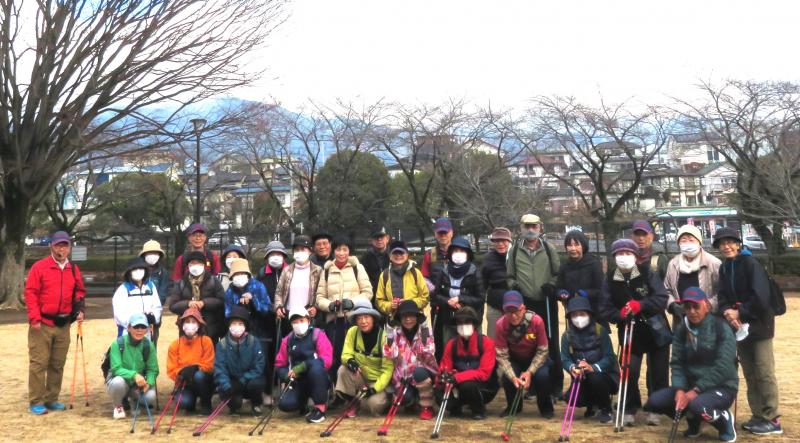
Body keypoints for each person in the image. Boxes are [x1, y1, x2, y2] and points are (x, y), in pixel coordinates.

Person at [643, 287, 738, 442]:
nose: (692, 311)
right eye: (688, 307)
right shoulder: (681, 330)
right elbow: (677, 363)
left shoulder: (721, 328)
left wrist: (696, 390)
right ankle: (694, 421)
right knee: (655, 402)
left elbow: (724, 366)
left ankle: (724, 421)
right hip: (690, 386)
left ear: (706, 305)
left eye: (696, 306)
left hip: (722, 386)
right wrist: (680, 390)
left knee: (698, 405)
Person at [714, 227, 782, 435]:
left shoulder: (751, 263)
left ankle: (772, 418)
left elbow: (760, 298)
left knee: (764, 371)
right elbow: (722, 295)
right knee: (750, 373)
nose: (726, 246)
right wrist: (727, 312)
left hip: (759, 324)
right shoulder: (725, 267)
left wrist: (739, 312)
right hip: (739, 326)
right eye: (722, 243)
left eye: (730, 242)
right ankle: (758, 414)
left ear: (738, 243)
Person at [599, 238, 670, 427]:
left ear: (636, 256)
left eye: (628, 253)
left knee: (658, 372)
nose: (624, 257)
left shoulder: (647, 272)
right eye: (620, 254)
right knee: (630, 370)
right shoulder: (610, 277)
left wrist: (642, 304)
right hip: (630, 330)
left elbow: (661, 297)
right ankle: (630, 406)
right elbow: (604, 308)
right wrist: (619, 315)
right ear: (614, 257)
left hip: (655, 328)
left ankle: (656, 407)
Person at [25, 230, 86, 415]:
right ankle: (36, 400)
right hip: (42, 323)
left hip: (64, 324)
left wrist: (80, 310)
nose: (62, 248)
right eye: (58, 244)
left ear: (69, 247)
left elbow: (79, 292)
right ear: (51, 246)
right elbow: (31, 293)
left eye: (65, 244)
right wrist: (34, 318)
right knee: (39, 363)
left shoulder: (73, 269)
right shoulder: (39, 267)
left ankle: (52, 398)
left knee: (57, 363)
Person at [505, 214, 562, 394]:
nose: (530, 230)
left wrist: (551, 285)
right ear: (521, 228)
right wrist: (514, 287)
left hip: (546, 301)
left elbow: (557, 272)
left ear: (540, 227)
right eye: (527, 226)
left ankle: (555, 384)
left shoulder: (549, 248)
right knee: (528, 343)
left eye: (534, 226)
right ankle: (533, 384)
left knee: (550, 342)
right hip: (525, 303)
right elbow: (509, 276)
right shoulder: (514, 250)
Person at [316, 237, 372, 379]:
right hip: (334, 322)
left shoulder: (357, 268)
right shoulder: (327, 270)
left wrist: (352, 303)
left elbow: (368, 292)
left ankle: (356, 389)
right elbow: (319, 297)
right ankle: (336, 390)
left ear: (349, 251)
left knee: (355, 355)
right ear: (333, 251)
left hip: (353, 320)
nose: (341, 253)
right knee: (333, 357)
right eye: (338, 249)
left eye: (345, 249)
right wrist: (329, 305)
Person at [560, 296, 619, 424]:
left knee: (594, 377)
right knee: (571, 398)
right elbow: (564, 359)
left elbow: (609, 357)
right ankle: (591, 404)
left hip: (604, 376)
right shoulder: (567, 336)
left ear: (589, 314)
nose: (578, 318)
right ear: (570, 317)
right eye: (574, 315)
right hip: (581, 377)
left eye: (582, 314)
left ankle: (606, 408)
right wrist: (572, 368)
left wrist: (593, 367)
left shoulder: (600, 331)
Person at [494, 291, 553, 418]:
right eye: (509, 311)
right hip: (515, 358)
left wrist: (530, 372)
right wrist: (512, 376)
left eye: (517, 311)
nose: (513, 316)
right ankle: (513, 407)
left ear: (523, 308)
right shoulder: (500, 325)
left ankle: (546, 407)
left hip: (536, 358)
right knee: (507, 378)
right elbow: (502, 355)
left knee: (542, 376)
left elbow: (543, 350)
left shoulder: (537, 321)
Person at [223, 258, 273, 403]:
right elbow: (227, 313)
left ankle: (267, 392)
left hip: (260, 331)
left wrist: (253, 300)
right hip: (239, 333)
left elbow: (267, 308)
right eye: (235, 274)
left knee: (262, 361)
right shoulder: (230, 291)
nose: (239, 276)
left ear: (248, 274)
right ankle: (245, 393)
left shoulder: (258, 286)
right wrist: (239, 306)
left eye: (242, 273)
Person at [335, 299, 394, 417]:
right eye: (359, 318)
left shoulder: (384, 337)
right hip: (360, 377)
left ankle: (386, 400)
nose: (363, 321)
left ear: (373, 318)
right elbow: (345, 354)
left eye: (366, 317)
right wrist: (351, 361)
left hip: (377, 381)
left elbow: (388, 369)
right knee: (343, 369)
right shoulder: (352, 332)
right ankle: (353, 403)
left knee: (373, 406)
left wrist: (374, 389)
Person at [438, 306, 498, 420]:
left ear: (474, 325)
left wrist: (457, 377)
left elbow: (484, 373)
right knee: (439, 392)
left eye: (467, 322)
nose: (463, 325)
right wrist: (443, 376)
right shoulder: (451, 344)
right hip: (457, 384)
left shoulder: (486, 343)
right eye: (459, 323)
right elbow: (445, 365)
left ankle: (478, 409)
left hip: (483, 387)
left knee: (468, 386)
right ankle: (457, 406)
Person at [275, 307, 333, 423]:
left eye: (302, 321)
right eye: (295, 322)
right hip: (298, 381)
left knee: (316, 368)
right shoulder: (287, 340)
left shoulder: (318, 335)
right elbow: (280, 364)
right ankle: (303, 405)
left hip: (318, 378)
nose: (298, 324)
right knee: (284, 404)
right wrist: (287, 375)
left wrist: (303, 366)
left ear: (308, 320)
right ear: (291, 324)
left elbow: (327, 360)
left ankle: (320, 409)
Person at [431, 237, 485, 361]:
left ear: (468, 254)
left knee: (472, 352)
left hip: (470, 320)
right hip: (449, 320)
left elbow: (480, 298)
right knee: (449, 351)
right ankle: (449, 378)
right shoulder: (443, 271)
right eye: (455, 251)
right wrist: (447, 301)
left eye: (462, 251)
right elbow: (435, 295)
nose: (458, 254)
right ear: (450, 254)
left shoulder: (475, 272)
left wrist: (461, 299)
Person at [383, 300, 439, 420]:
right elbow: (389, 353)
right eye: (404, 316)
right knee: (403, 399)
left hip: (422, 374)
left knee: (419, 372)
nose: (408, 319)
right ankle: (412, 402)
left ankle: (427, 406)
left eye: (411, 315)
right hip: (404, 378)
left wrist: (424, 330)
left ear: (417, 317)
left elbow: (428, 352)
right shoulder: (395, 333)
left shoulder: (424, 331)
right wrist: (389, 332)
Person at [664, 224, 721, 325]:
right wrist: (672, 305)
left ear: (699, 242)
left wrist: (707, 306)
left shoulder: (713, 263)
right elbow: (666, 289)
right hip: (681, 319)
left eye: (691, 240)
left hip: (708, 319)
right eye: (683, 240)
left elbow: (721, 291)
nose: (687, 243)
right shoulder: (673, 264)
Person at [214, 306, 266, 415]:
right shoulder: (222, 344)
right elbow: (220, 368)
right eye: (234, 323)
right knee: (235, 402)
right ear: (229, 326)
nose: (237, 327)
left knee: (256, 384)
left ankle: (256, 404)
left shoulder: (253, 342)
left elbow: (259, 365)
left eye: (240, 324)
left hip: (248, 379)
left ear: (245, 326)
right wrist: (227, 386)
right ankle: (234, 407)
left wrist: (244, 379)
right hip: (232, 380)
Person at [106, 312, 159, 420]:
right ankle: (118, 406)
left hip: (137, 385)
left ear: (147, 329)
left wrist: (148, 383)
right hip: (122, 381)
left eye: (143, 327)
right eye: (136, 326)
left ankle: (135, 402)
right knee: (118, 383)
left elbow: (152, 369)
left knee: (151, 396)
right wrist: (134, 375)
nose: (139, 330)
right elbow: (116, 369)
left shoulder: (149, 345)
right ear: (129, 328)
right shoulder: (117, 344)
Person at [168, 251, 226, 342]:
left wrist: (204, 303)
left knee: (209, 353)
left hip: (210, 327)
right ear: (188, 266)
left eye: (199, 263)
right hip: (187, 328)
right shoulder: (181, 283)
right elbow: (172, 305)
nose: (196, 265)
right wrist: (188, 304)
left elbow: (221, 300)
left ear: (204, 265)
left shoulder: (213, 281)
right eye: (192, 263)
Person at [166, 308, 215, 415]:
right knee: (184, 402)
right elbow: (170, 370)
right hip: (184, 382)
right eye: (187, 322)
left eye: (193, 322)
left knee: (199, 376)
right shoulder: (175, 344)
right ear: (182, 325)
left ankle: (206, 403)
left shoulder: (206, 341)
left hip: (203, 380)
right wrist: (181, 372)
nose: (190, 325)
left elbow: (209, 365)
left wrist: (196, 367)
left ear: (199, 325)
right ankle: (191, 404)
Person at [274, 235, 322, 337]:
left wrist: (315, 307)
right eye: (297, 250)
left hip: (306, 315)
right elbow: (279, 292)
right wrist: (278, 307)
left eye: (303, 249)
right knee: (288, 346)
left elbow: (321, 293)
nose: (299, 252)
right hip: (289, 315)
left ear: (310, 251)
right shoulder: (287, 270)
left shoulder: (318, 271)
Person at [556, 230, 605, 326]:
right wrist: (561, 293)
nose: (573, 248)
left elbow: (601, 290)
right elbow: (559, 287)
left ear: (583, 246)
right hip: (573, 312)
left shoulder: (594, 264)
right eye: (569, 245)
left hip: (593, 313)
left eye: (576, 245)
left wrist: (586, 293)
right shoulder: (564, 266)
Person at [374, 240, 429, 321]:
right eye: (395, 253)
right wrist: (390, 305)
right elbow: (379, 301)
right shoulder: (384, 275)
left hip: (414, 320)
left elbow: (425, 298)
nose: (398, 256)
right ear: (390, 256)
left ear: (407, 255)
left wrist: (409, 303)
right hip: (394, 321)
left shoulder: (416, 273)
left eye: (401, 253)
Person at [112, 257, 162, 341]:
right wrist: (135, 323)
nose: (138, 271)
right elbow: (119, 314)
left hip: (147, 333)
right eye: (134, 269)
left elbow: (157, 307)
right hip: (127, 333)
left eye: (141, 268)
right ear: (129, 272)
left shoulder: (151, 286)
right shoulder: (123, 289)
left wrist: (153, 317)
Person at [482, 227, 512, 338]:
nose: (500, 244)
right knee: (493, 338)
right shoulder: (488, 258)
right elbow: (483, 281)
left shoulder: (516, 256)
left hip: (514, 304)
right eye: (497, 241)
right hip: (494, 304)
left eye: (503, 240)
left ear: (509, 241)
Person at [139, 239, 172, 342]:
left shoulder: (163, 273)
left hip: (154, 314)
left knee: (152, 342)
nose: (152, 255)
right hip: (137, 312)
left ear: (159, 255)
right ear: (144, 255)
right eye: (149, 253)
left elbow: (162, 294)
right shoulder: (136, 270)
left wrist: (152, 311)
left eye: (155, 253)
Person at [421, 217, 454, 292]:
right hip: (436, 299)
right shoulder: (429, 254)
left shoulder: (459, 252)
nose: (443, 236)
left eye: (445, 232)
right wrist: (433, 289)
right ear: (435, 234)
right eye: (440, 233)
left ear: (451, 233)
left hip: (457, 299)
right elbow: (424, 277)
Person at [361, 227, 391, 302]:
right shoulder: (365, 258)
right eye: (376, 237)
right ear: (371, 240)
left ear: (387, 238)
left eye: (382, 237)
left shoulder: (394, 255)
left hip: (392, 297)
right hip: (372, 297)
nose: (379, 239)